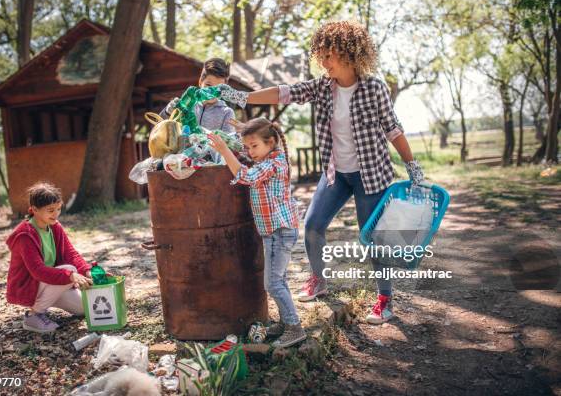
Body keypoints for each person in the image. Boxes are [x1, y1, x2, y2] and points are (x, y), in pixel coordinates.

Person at [218, 21, 425, 325]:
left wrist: (412, 166)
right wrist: (245, 98)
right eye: (322, 56)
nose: (324, 62)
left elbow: (393, 130)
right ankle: (319, 280)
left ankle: (385, 300)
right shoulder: (322, 87)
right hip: (336, 174)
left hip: (371, 176)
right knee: (313, 226)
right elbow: (285, 93)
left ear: (349, 54)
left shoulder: (374, 88)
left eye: (329, 56)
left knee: (373, 238)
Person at [208, 118, 306, 348]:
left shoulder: (273, 164)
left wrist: (223, 150)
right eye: (247, 147)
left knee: (272, 284)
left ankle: (295, 328)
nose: (250, 152)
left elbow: (246, 177)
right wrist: (245, 132)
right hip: (276, 230)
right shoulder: (270, 157)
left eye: (254, 146)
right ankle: (286, 322)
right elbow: (250, 154)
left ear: (271, 142)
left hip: (279, 231)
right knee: (278, 280)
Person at [6, 182, 94, 333]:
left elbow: (70, 254)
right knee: (69, 269)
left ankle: (47, 301)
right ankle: (33, 315)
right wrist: (70, 275)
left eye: (58, 209)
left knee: (85, 309)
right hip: (31, 285)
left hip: (52, 283)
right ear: (34, 209)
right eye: (50, 210)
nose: (56, 214)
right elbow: (37, 271)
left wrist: (87, 271)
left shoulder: (55, 226)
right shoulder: (25, 235)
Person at [161, 57, 236, 132]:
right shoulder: (186, 104)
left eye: (218, 88)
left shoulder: (227, 113)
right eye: (208, 85)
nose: (211, 92)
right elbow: (158, 126)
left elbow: (229, 142)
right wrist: (167, 112)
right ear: (200, 81)